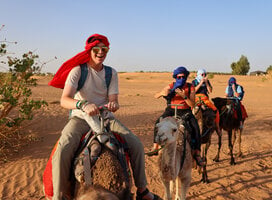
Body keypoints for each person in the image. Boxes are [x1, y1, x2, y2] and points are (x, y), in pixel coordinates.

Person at [49, 34, 158, 200]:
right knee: (63, 148)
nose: (100, 52)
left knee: (136, 144)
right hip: (81, 118)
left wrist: (114, 105)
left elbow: (114, 100)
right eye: (96, 49)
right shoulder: (78, 71)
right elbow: (65, 99)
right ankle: (58, 195)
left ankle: (142, 190)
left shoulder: (111, 73)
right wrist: (83, 104)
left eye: (104, 49)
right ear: (89, 51)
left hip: (105, 118)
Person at [147, 66, 205, 167]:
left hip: (185, 110)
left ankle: (197, 153)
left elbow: (192, 105)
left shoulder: (190, 87)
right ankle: (155, 146)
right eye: (179, 77)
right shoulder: (171, 85)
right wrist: (162, 93)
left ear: (186, 77)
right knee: (158, 122)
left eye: (183, 77)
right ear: (175, 77)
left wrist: (184, 96)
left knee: (195, 127)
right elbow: (155, 96)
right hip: (171, 109)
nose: (181, 79)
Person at [192, 69, 222, 136]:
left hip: (205, 99)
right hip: (196, 98)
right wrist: (200, 83)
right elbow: (194, 91)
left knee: (215, 110)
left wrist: (206, 83)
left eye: (205, 74)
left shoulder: (207, 81)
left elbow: (210, 90)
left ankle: (217, 128)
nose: (204, 76)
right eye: (202, 75)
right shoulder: (194, 81)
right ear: (198, 75)